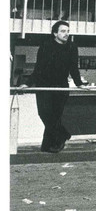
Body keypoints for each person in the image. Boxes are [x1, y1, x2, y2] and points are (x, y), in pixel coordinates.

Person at [26, 20, 87, 153]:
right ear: (55, 33)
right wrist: (27, 82)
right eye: (63, 31)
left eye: (68, 31)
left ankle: (48, 146)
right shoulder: (46, 46)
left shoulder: (72, 47)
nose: (66, 34)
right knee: (44, 113)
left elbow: (73, 68)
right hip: (44, 86)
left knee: (54, 117)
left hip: (61, 87)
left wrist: (79, 83)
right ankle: (63, 135)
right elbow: (39, 67)